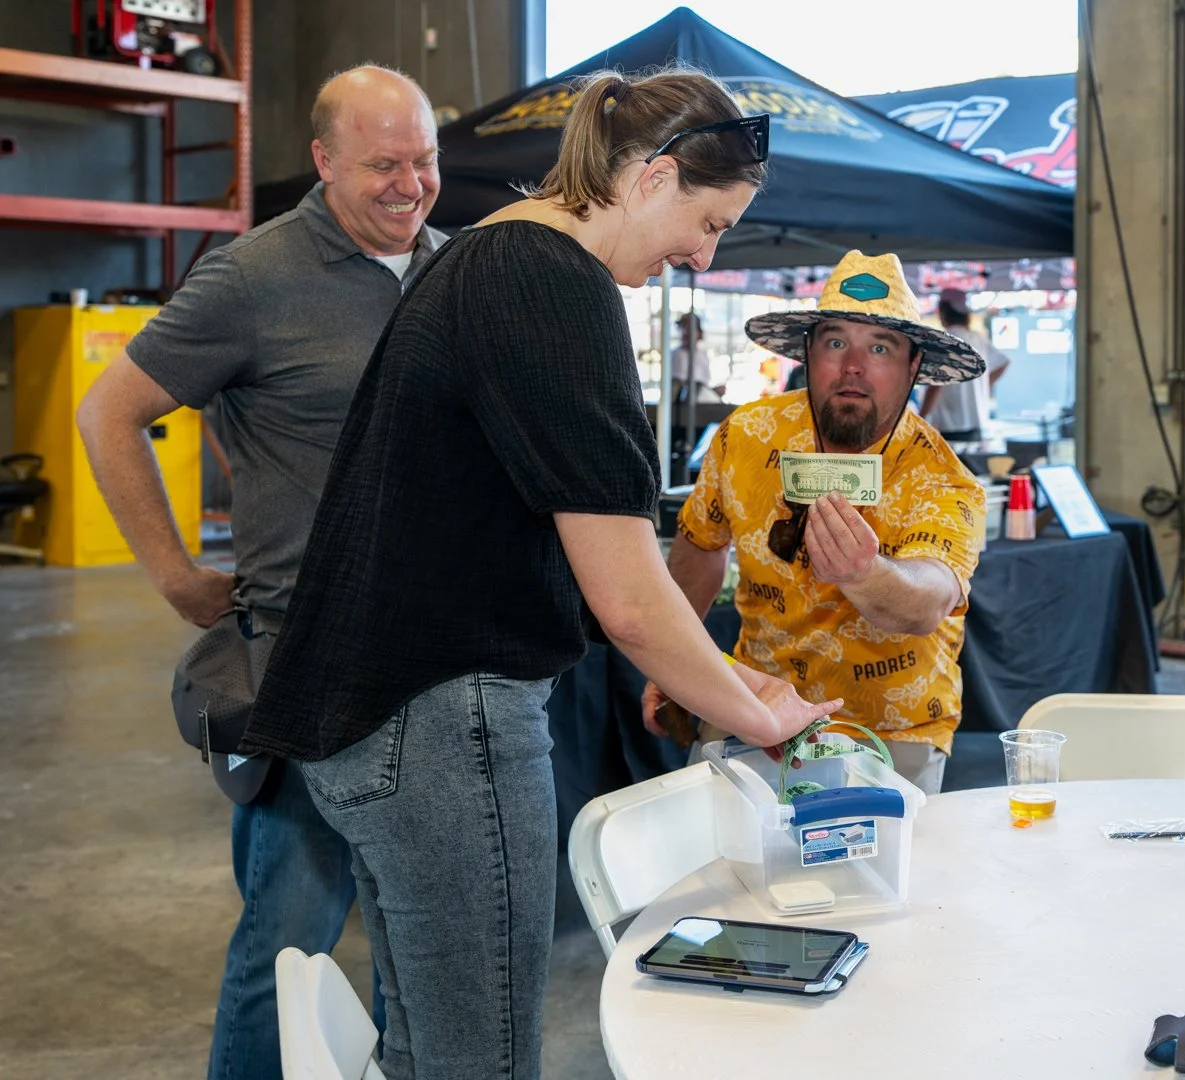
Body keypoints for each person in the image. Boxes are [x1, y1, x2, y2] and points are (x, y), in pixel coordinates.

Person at [235, 68, 839, 1078]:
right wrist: (760, 713)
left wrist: (736, 685)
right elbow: (631, 600)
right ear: (651, 178)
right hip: (440, 719)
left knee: (429, 1049)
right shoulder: (553, 285)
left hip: (380, 721)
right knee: (481, 1060)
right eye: (710, 221)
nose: (705, 253)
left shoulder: (486, 255)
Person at [74, 64, 444, 1080]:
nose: (411, 185)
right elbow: (108, 415)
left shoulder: (456, 272)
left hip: (441, 669)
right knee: (288, 937)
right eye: (383, 164)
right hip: (307, 665)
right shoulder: (253, 279)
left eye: (425, 159)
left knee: (417, 942)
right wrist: (174, 572)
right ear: (323, 162)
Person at [643, 250, 989, 795]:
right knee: (719, 867)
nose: (853, 365)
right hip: (752, 706)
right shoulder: (747, 436)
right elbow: (702, 545)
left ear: (914, 366)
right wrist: (675, 662)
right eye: (835, 342)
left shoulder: (941, 477)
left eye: (880, 347)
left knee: (872, 878)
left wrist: (865, 573)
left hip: (891, 727)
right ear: (808, 353)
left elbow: (928, 603)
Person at [919, 287, 1011, 442]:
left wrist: (921, 418)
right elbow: (1004, 362)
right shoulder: (976, 338)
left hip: (950, 427)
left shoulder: (944, 340)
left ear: (943, 311)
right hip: (976, 425)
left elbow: (936, 384)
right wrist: (979, 386)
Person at [670, 311, 724, 401]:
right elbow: (679, 387)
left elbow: (703, 385)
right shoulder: (676, 354)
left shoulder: (703, 355)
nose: (684, 332)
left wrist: (713, 391)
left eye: (688, 328)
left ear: (699, 333)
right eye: (682, 328)